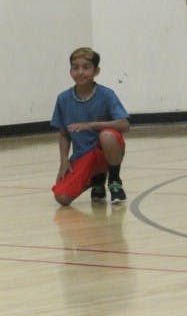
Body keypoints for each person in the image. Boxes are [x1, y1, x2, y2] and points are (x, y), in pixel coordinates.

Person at [51, 47, 130, 206]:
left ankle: (114, 180)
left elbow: (124, 124)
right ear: (70, 71)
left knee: (107, 135)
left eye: (86, 67)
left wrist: (91, 125)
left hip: (104, 150)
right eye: (75, 67)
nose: (80, 72)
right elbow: (64, 134)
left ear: (96, 71)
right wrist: (64, 161)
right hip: (83, 155)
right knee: (62, 197)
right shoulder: (63, 99)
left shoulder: (107, 95)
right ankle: (96, 180)